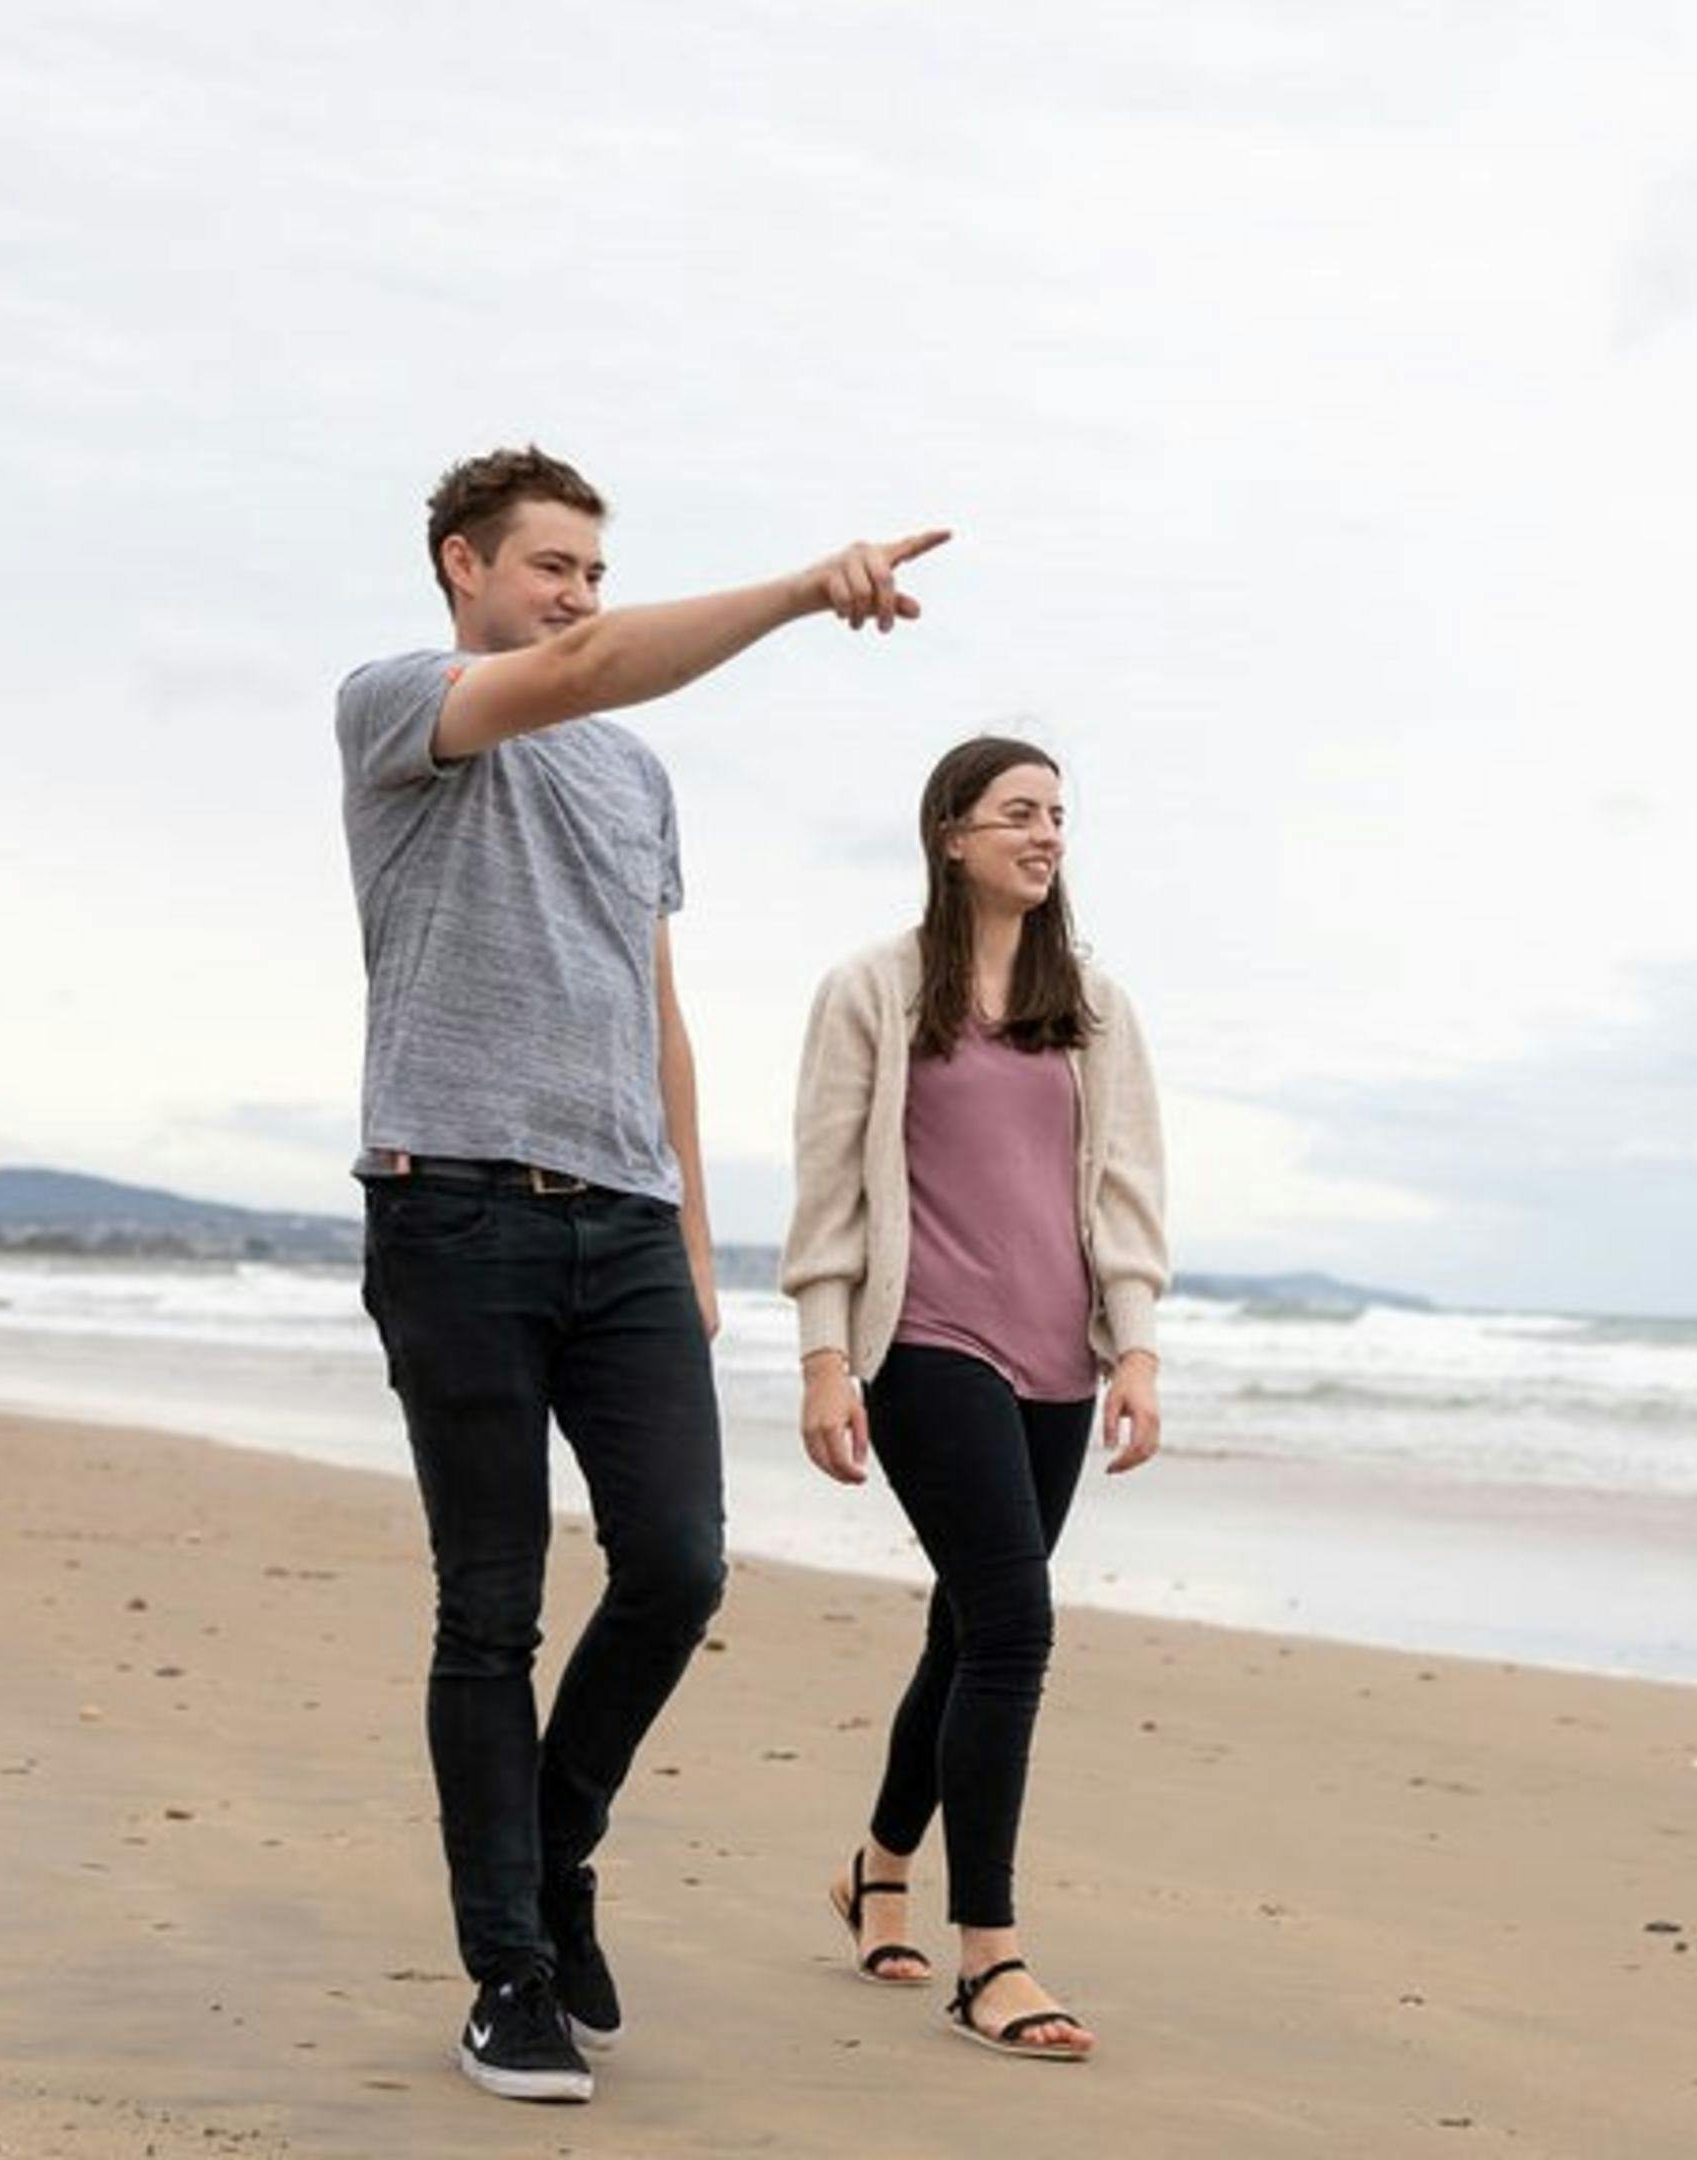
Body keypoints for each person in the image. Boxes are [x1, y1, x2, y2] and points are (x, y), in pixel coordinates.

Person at [336, 443, 946, 2105]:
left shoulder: (631, 780)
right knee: (494, 1605)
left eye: (594, 572)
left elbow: (650, 1001)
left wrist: (687, 1232)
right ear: (464, 566)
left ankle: (557, 1847)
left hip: (622, 1223)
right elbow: (583, 672)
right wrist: (814, 589)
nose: (578, 600)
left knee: (679, 1565)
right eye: (550, 568)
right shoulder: (398, 705)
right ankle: (510, 1971)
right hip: (453, 1214)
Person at [781, 734, 1169, 2063]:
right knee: (1015, 1624)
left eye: (1060, 813)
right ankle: (988, 1958)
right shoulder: (875, 990)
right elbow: (830, 1182)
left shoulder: (1094, 1004)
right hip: (926, 1342)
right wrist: (826, 1357)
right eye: (1019, 812)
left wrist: (1138, 1344)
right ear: (951, 833)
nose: (1045, 834)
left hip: (1058, 1352)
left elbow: (1124, 1188)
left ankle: (875, 1868)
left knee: (967, 1628)